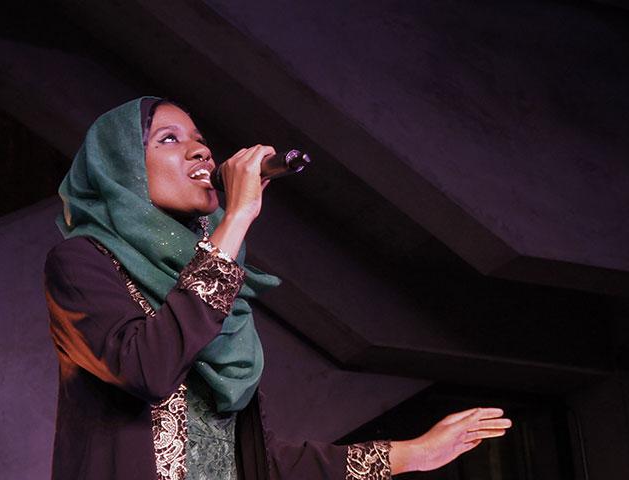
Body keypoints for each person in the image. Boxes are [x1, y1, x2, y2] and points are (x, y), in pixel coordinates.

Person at [44, 97, 512, 480]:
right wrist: (239, 216)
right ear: (120, 170)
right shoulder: (82, 262)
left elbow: (254, 464)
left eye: (202, 141)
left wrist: (411, 454)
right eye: (170, 139)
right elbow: (146, 367)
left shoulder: (220, 295)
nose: (202, 152)